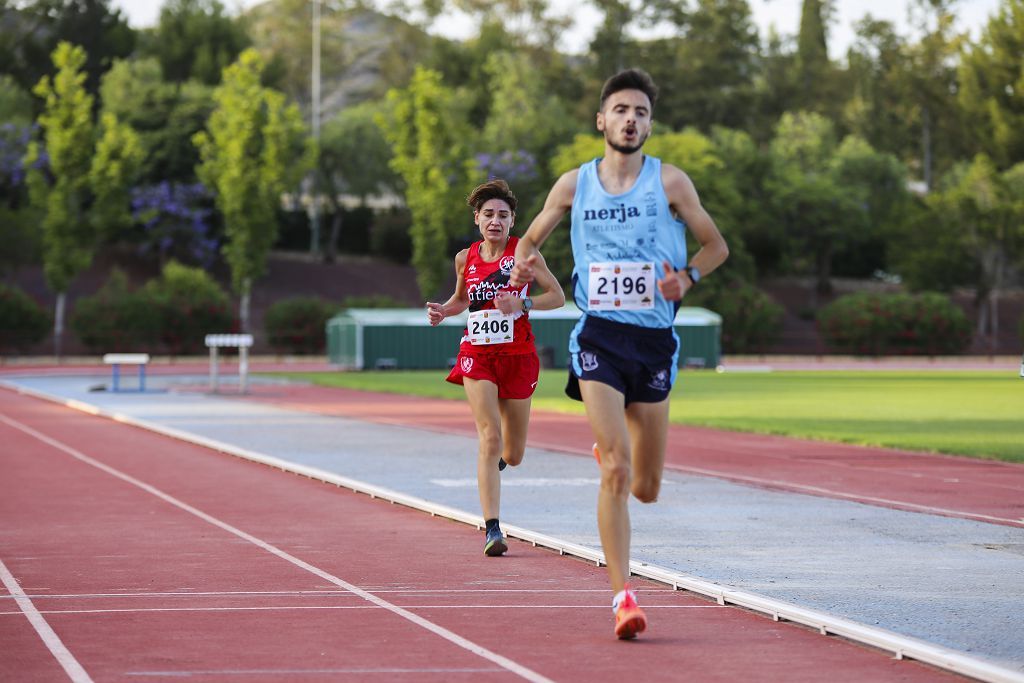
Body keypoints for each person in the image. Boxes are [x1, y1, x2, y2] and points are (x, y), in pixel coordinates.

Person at [509, 68, 729, 639]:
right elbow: (528, 243)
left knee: (646, 487)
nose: (632, 120)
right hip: (598, 335)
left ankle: (615, 455)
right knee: (617, 468)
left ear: (649, 126)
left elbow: (716, 244)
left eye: (642, 113)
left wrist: (689, 277)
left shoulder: (671, 182)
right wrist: (529, 271)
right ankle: (623, 598)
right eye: (622, 110)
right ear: (601, 120)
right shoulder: (572, 185)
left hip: (654, 342)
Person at [426, 178, 565, 557]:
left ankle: (502, 459)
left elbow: (558, 296)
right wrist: (443, 310)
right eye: (488, 214)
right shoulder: (464, 258)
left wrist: (522, 305)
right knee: (489, 435)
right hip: (478, 354)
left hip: (518, 356)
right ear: (477, 219)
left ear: (512, 220)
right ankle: (492, 529)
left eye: (503, 215)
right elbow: (461, 301)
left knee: (514, 452)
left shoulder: (525, 253)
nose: (495, 221)